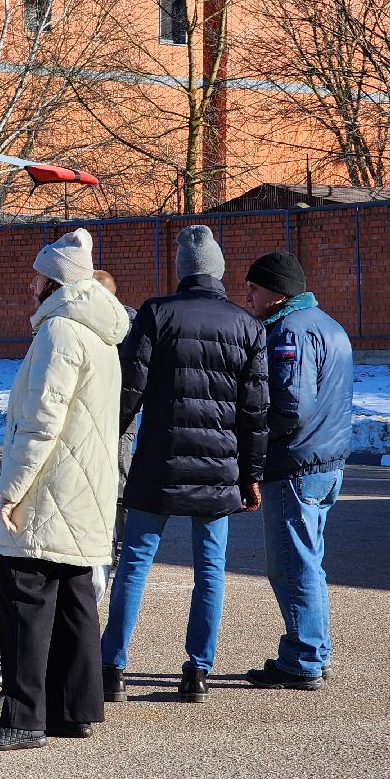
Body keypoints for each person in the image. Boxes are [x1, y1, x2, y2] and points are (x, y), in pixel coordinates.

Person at [0, 228, 129, 751]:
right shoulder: (100, 333)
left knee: (26, 602)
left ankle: (23, 718)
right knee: (75, 599)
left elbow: (41, 422)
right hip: (84, 490)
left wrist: (12, 488)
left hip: (48, 489)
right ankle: (73, 710)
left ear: (55, 282)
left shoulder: (59, 332)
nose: (29, 285)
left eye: (36, 277)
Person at [100, 225, 269, 706]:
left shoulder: (156, 313)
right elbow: (255, 412)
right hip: (219, 469)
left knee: (134, 563)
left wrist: (104, 442)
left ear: (181, 270)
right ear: (218, 270)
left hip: (158, 460)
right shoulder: (247, 326)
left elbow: (129, 390)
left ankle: (112, 667)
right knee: (210, 570)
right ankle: (197, 672)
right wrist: (251, 475)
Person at [243, 251, 353, 690]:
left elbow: (290, 407)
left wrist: (253, 441)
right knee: (308, 560)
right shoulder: (328, 324)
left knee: (291, 565)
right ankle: (313, 650)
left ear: (277, 292)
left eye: (254, 288)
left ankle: (303, 657)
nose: (248, 296)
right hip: (325, 463)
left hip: (295, 464)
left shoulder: (290, 331)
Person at [91, 270, 137, 604]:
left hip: (120, 416)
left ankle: (123, 549)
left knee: (120, 481)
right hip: (95, 414)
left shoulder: (126, 327)